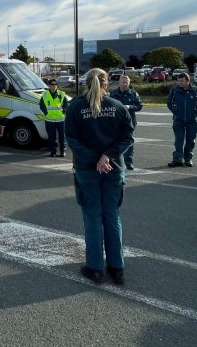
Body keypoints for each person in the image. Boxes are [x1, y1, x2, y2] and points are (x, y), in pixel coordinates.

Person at [66, 68, 134, 285]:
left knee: (93, 217)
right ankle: (117, 267)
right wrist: (106, 157)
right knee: (112, 216)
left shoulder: (75, 106)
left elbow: (72, 140)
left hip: (87, 170)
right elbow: (127, 138)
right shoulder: (117, 106)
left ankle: (95, 268)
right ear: (107, 83)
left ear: (86, 82)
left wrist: (95, 158)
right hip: (112, 168)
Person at [166, 73, 197, 167]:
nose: (180, 83)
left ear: (188, 81)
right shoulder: (175, 90)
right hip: (178, 120)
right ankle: (177, 159)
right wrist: (175, 111)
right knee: (178, 140)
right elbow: (169, 102)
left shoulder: (196, 90)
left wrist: (196, 112)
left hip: (192, 120)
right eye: (178, 81)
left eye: (182, 81)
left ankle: (188, 159)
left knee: (190, 141)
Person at [109, 75, 143, 170]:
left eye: (126, 82)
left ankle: (129, 162)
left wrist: (129, 107)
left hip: (130, 122)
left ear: (129, 83)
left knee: (129, 142)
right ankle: (116, 161)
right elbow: (108, 105)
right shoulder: (113, 94)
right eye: (123, 82)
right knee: (115, 141)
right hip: (116, 122)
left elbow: (139, 106)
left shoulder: (133, 94)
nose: (125, 84)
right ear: (119, 82)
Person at [40, 78, 68, 157]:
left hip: (61, 119)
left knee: (62, 136)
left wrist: (63, 112)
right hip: (49, 120)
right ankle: (53, 151)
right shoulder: (45, 95)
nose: (54, 86)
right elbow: (41, 105)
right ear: (49, 85)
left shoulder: (61, 94)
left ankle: (63, 151)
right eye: (52, 84)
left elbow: (66, 104)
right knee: (51, 137)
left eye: (55, 84)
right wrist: (46, 113)